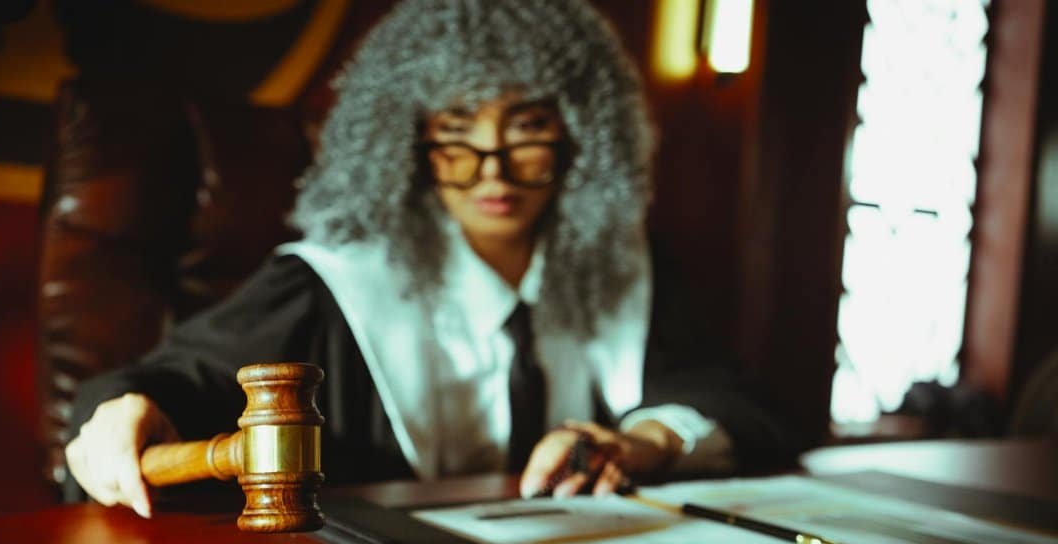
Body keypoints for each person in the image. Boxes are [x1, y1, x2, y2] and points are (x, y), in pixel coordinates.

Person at [65, 0, 793, 518]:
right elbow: (172, 383)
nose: (494, 170)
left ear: (580, 138)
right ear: (406, 144)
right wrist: (128, 410)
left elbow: (737, 400)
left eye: (529, 128)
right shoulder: (332, 283)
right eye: (457, 131)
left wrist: (639, 442)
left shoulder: (628, 268)